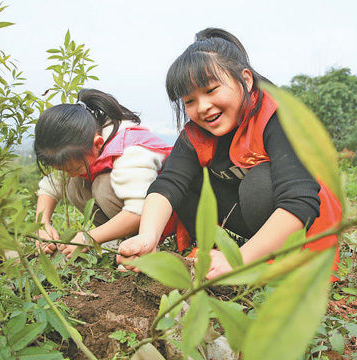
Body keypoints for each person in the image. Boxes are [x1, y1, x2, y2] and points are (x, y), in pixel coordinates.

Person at [116, 28, 341, 279]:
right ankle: (211, 252)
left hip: (304, 224)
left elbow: (300, 200)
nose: (203, 107)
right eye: (189, 101)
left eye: (211, 90)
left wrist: (239, 261)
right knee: (186, 180)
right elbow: (167, 184)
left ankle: (260, 258)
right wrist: (148, 237)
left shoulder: (278, 116)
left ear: (245, 79)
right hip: (250, 222)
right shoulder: (195, 135)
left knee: (259, 184)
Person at [34, 89, 172, 258]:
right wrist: (42, 225)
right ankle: (117, 239)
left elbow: (139, 210)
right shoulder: (78, 144)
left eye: (75, 168)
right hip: (134, 211)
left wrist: (88, 238)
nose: (69, 174)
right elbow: (50, 187)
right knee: (74, 185)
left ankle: (151, 242)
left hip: (162, 221)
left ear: (97, 143)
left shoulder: (130, 149)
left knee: (103, 186)